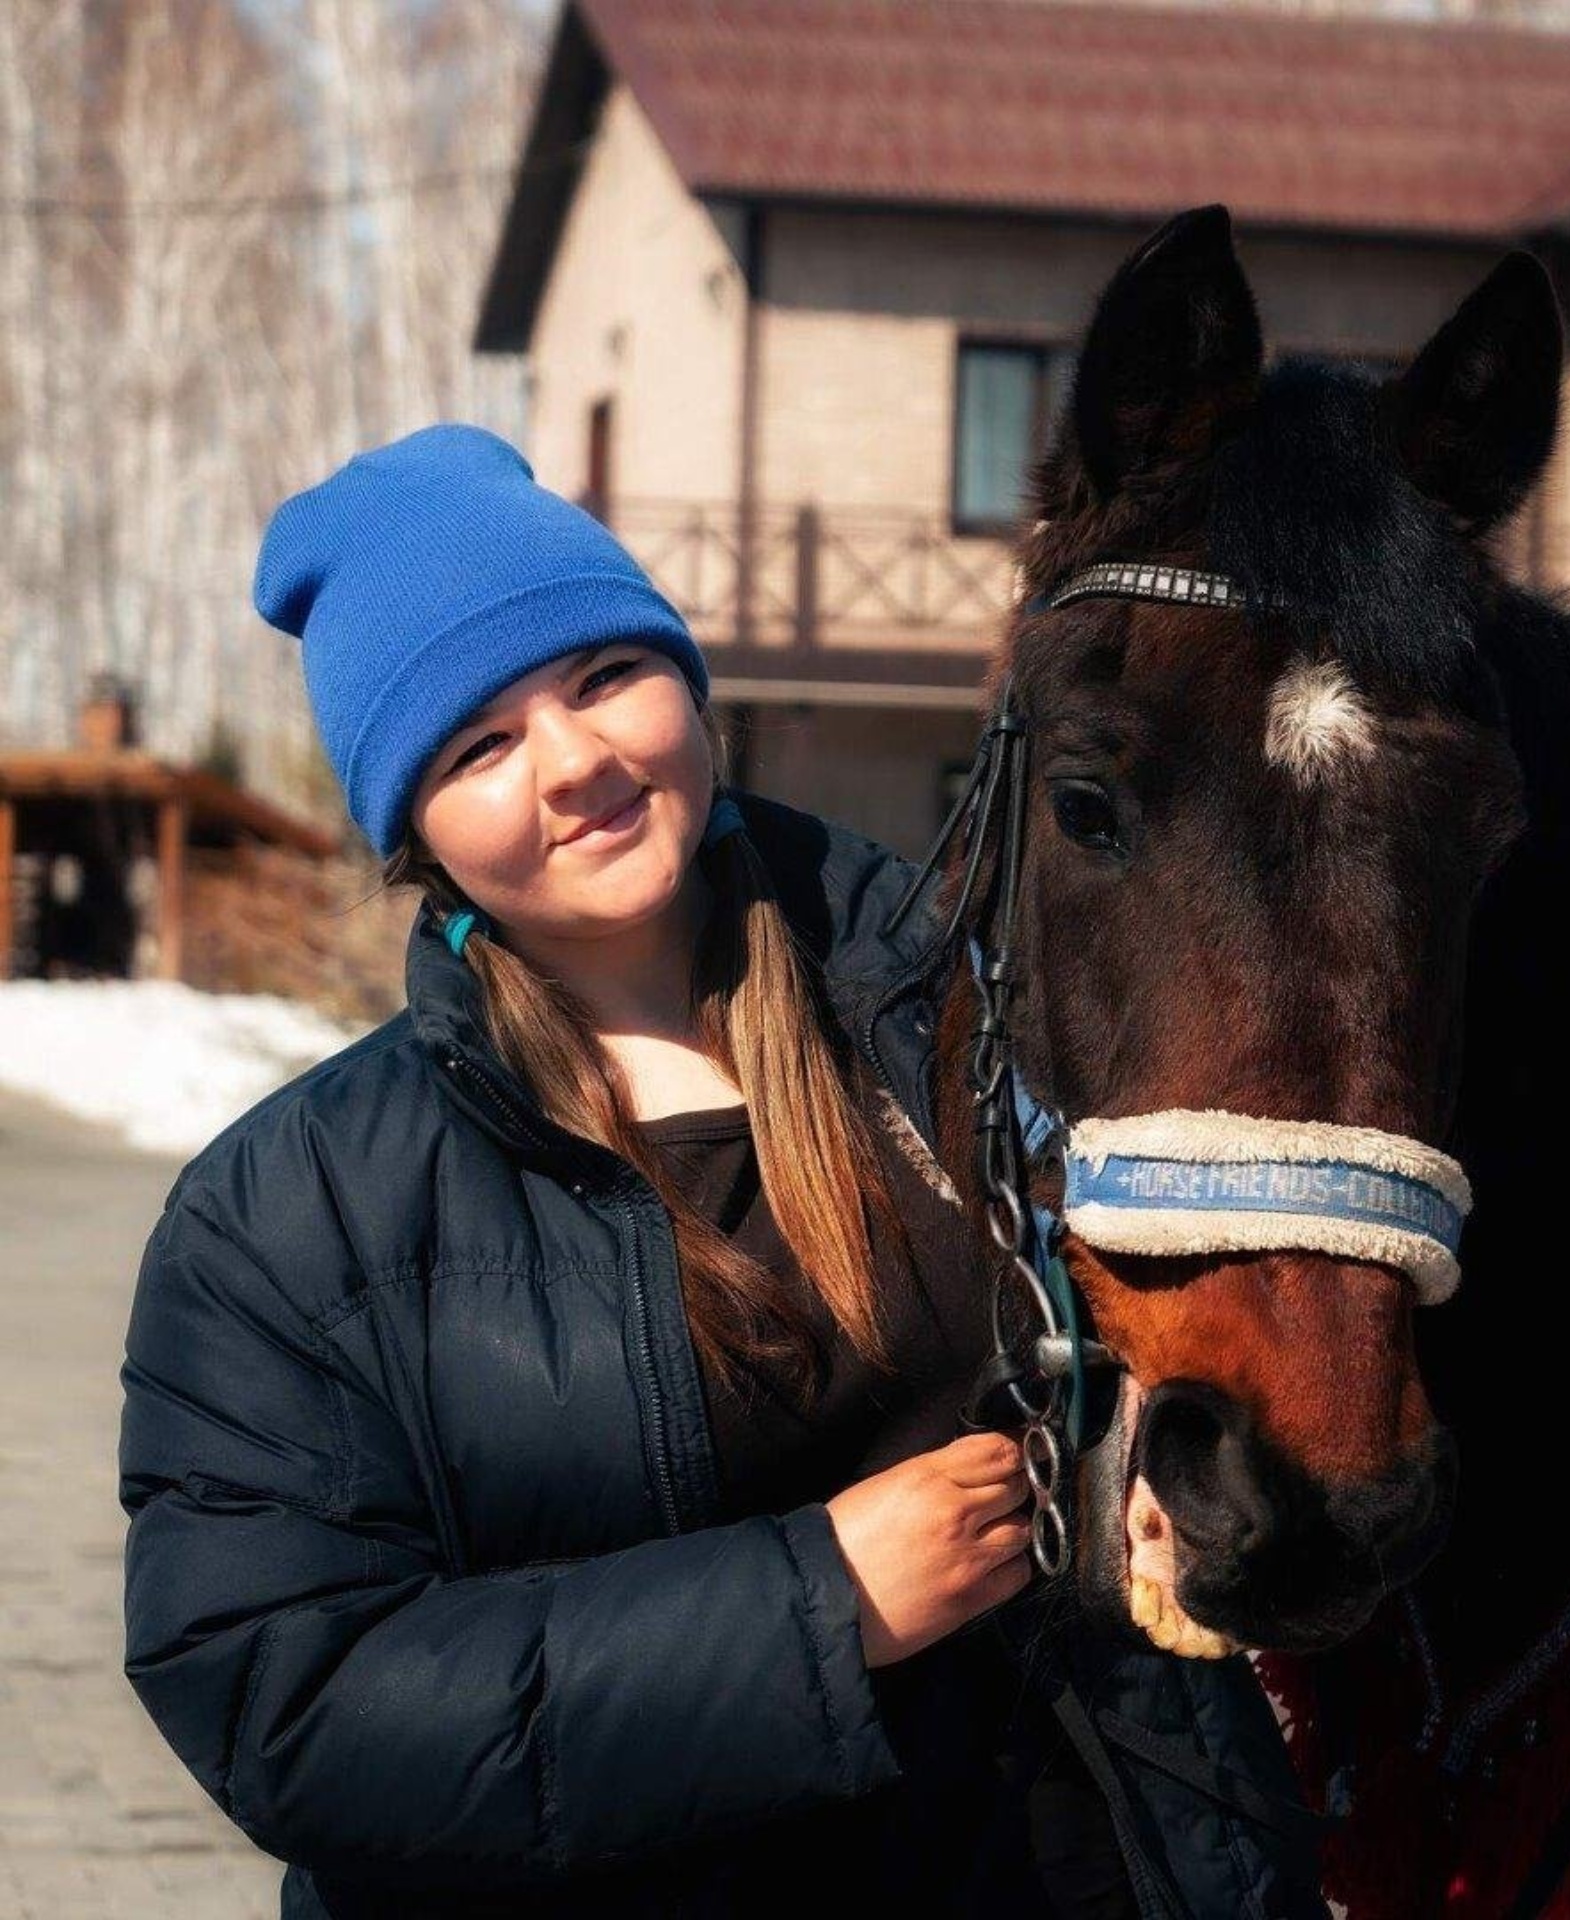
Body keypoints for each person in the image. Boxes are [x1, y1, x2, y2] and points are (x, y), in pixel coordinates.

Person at [118, 425, 1328, 1919]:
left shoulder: (975, 1013)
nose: (576, 762)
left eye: (601, 678)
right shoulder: (287, 1218)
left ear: (684, 681)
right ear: (412, 833)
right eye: (479, 746)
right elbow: (288, 1707)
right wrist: (819, 1607)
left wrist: (1146, 1421)